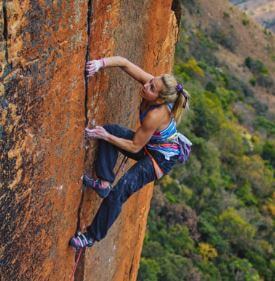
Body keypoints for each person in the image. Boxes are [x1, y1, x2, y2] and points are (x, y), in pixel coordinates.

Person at [69, 56, 190, 250]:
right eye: (151, 81)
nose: (147, 85)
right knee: (112, 130)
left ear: (160, 99)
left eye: (152, 87)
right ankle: (104, 183)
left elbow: (134, 147)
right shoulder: (153, 86)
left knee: (120, 191)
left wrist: (106, 136)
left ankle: (90, 237)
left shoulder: (155, 114)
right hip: (152, 146)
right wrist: (100, 64)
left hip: (159, 160)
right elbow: (124, 63)